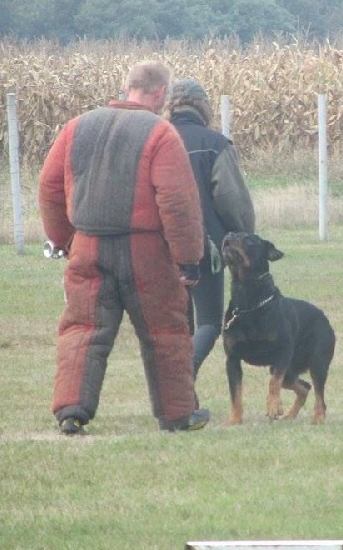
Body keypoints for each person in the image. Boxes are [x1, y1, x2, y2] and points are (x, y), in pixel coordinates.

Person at [38, 61, 209, 435]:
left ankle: (71, 412)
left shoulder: (76, 127)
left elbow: (49, 188)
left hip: (88, 245)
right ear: (160, 93)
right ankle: (177, 415)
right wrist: (188, 259)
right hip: (145, 252)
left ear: (128, 85)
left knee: (83, 329)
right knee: (165, 331)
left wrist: (63, 239)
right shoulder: (161, 134)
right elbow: (177, 201)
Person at [165, 79, 255, 379]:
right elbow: (232, 201)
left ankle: (175, 387)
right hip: (204, 248)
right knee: (209, 322)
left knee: (174, 325)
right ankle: (182, 378)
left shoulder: (153, 139)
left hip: (158, 245)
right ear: (203, 107)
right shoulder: (215, 144)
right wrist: (245, 237)